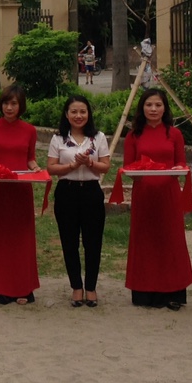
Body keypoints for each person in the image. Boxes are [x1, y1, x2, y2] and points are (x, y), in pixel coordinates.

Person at [123, 90, 192, 310]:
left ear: (165, 108)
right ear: (142, 108)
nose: (153, 109)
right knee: (144, 240)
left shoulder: (174, 134)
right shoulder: (133, 135)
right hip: (144, 194)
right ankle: (144, 292)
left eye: (158, 105)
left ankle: (173, 292)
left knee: (170, 240)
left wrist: (178, 169)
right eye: (149, 105)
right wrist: (138, 172)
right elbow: (128, 166)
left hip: (168, 194)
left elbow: (181, 163)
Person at [46, 95, 111, 308]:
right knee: (69, 241)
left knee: (93, 242)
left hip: (91, 192)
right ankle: (76, 287)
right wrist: (71, 166)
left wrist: (90, 163)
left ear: (88, 114)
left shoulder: (98, 137)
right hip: (67, 192)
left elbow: (105, 166)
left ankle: (91, 288)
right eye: (73, 111)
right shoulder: (58, 139)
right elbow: (51, 168)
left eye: (83, 111)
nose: (78, 115)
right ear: (67, 114)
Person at [0, 84, 40, 305]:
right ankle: (1, 286)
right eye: (6, 103)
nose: (9, 107)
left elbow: (30, 159)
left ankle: (23, 286)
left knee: (22, 237)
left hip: (21, 189)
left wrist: (36, 169)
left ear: (20, 105)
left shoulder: (30, 130)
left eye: (13, 103)